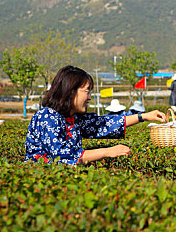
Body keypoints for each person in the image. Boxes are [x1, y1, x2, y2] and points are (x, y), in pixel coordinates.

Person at [25, 66, 166, 165]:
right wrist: (107, 152)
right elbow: (64, 156)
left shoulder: (72, 118)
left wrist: (143, 116)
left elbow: (104, 124)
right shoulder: (47, 117)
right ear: (70, 91)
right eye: (87, 91)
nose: (89, 98)